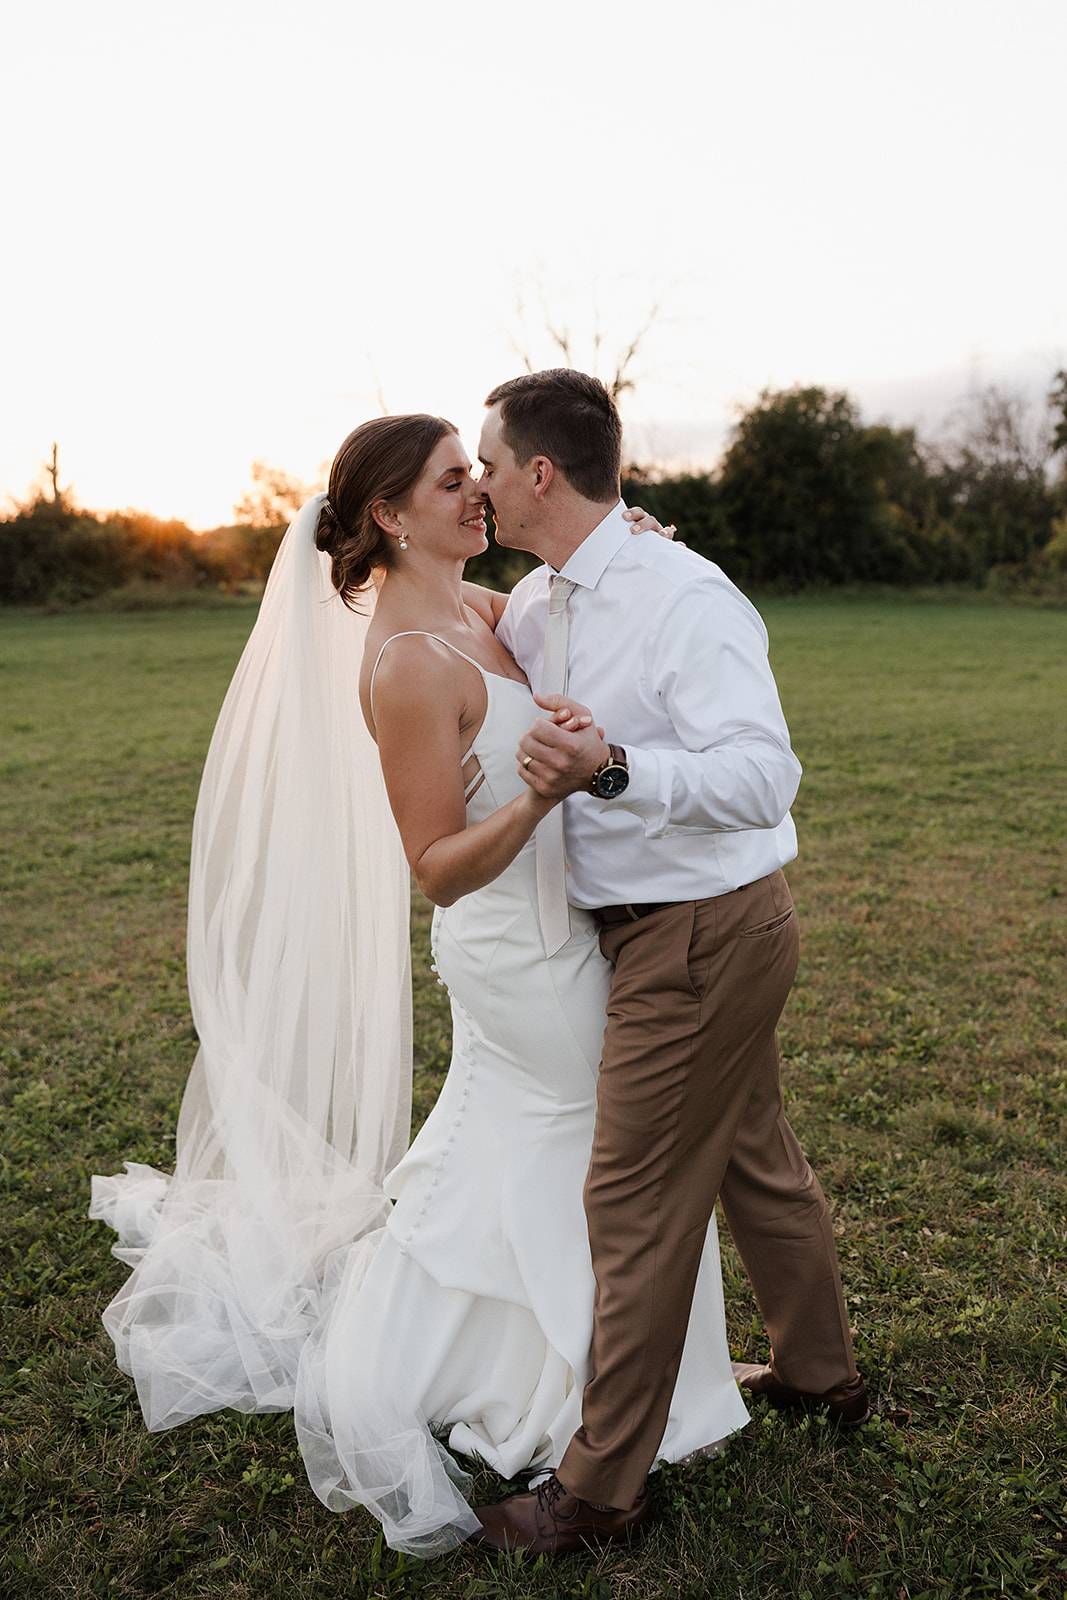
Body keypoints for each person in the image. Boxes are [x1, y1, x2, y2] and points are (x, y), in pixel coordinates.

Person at [91, 412, 748, 1558]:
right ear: (391, 514)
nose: (477, 493)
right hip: (518, 955)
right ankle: (602, 1397)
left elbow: (560, 603)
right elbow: (437, 870)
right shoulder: (403, 664)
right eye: (453, 481)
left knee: (547, 1151)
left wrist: (624, 538)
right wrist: (537, 799)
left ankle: (567, 1371)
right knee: (592, 1152)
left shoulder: (476, 610)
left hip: (566, 937)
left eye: (476, 473)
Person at [469, 369, 868, 1557]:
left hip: (695, 931)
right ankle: (820, 1376)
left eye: (488, 462)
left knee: (632, 1200)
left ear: (539, 472)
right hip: (673, 932)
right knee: (752, 1154)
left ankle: (599, 1492)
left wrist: (615, 768)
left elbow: (763, 774)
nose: (481, 483)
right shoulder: (536, 602)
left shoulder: (686, 596)